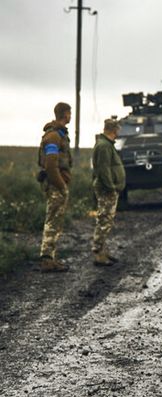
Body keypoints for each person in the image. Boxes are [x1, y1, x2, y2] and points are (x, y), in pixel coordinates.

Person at [38, 102, 73, 273]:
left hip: (57, 185)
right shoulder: (53, 137)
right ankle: (46, 260)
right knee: (52, 222)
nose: (70, 116)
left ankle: (50, 258)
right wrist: (61, 186)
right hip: (55, 186)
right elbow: (51, 165)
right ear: (64, 114)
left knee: (55, 222)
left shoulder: (59, 135)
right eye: (69, 113)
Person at [91, 118, 126, 265]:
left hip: (108, 188)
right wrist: (111, 187)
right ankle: (99, 253)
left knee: (106, 220)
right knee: (104, 220)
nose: (119, 132)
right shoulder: (104, 146)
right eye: (117, 129)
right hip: (107, 189)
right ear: (114, 130)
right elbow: (103, 169)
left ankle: (103, 250)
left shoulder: (106, 144)